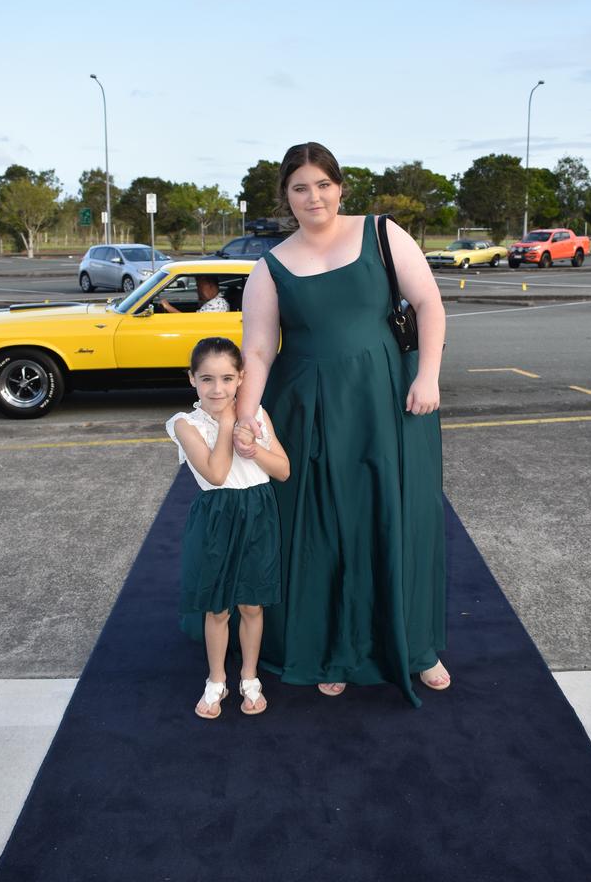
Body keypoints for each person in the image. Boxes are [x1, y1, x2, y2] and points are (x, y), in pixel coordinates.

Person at [234, 142, 449, 707]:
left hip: (388, 401)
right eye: (300, 187)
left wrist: (427, 376)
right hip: (308, 410)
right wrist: (245, 419)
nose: (314, 197)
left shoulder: (381, 233)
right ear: (286, 195)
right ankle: (332, 648)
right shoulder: (269, 266)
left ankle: (418, 647)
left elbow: (428, 303)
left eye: (323, 184)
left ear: (340, 187)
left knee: (400, 516)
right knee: (323, 527)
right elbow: (256, 353)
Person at [166, 337, 289, 719]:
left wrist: (254, 449)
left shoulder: (258, 415)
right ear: (192, 380)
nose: (216, 389)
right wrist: (226, 426)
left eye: (226, 379)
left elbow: (283, 470)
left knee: (251, 604)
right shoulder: (185, 424)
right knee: (217, 608)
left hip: (258, 514)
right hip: (217, 517)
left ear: (240, 379)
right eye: (206, 379)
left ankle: (249, 677)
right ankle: (216, 680)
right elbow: (217, 474)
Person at [159, 274, 230, 313]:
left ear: (211, 286)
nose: (197, 290)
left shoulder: (216, 305)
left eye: (199, 287)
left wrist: (167, 307)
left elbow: (190, 323)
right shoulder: (213, 302)